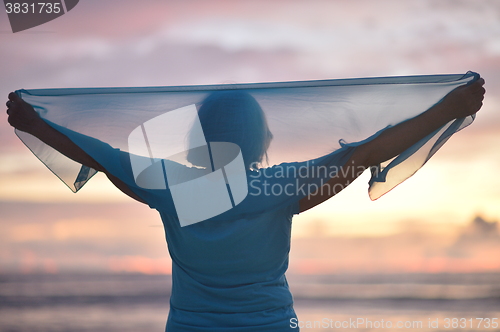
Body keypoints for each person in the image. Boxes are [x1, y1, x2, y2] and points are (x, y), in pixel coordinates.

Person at [6, 77, 485, 331]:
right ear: (258, 139)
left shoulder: (168, 185)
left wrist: (34, 124)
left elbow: (98, 153)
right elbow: (366, 152)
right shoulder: (280, 187)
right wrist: (447, 109)